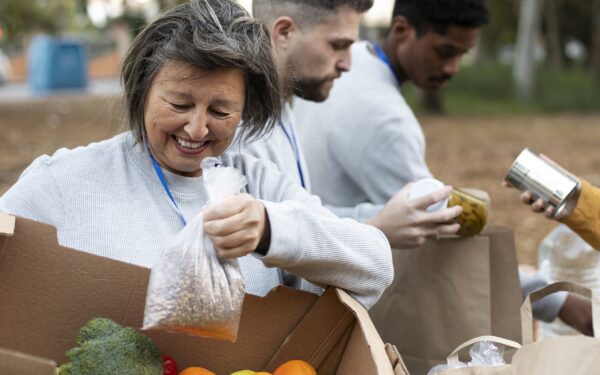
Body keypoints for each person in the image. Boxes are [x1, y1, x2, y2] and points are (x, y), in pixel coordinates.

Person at [0, 0, 393, 309]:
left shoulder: (259, 185)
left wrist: (270, 230)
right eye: (179, 104)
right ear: (142, 92)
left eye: (221, 111)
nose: (197, 129)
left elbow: (374, 266)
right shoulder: (65, 183)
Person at [293, 0, 593, 334]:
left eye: (462, 54)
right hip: (335, 299)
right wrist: (560, 302)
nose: (453, 68)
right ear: (403, 30)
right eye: (444, 51)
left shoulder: (350, 64)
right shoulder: (386, 119)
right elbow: (446, 226)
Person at [240, 0, 462, 249]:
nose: (347, 64)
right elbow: (258, 249)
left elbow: (295, 217)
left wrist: (381, 218)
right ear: (284, 33)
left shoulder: (279, 109)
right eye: (338, 45)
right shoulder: (239, 128)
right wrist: (376, 230)